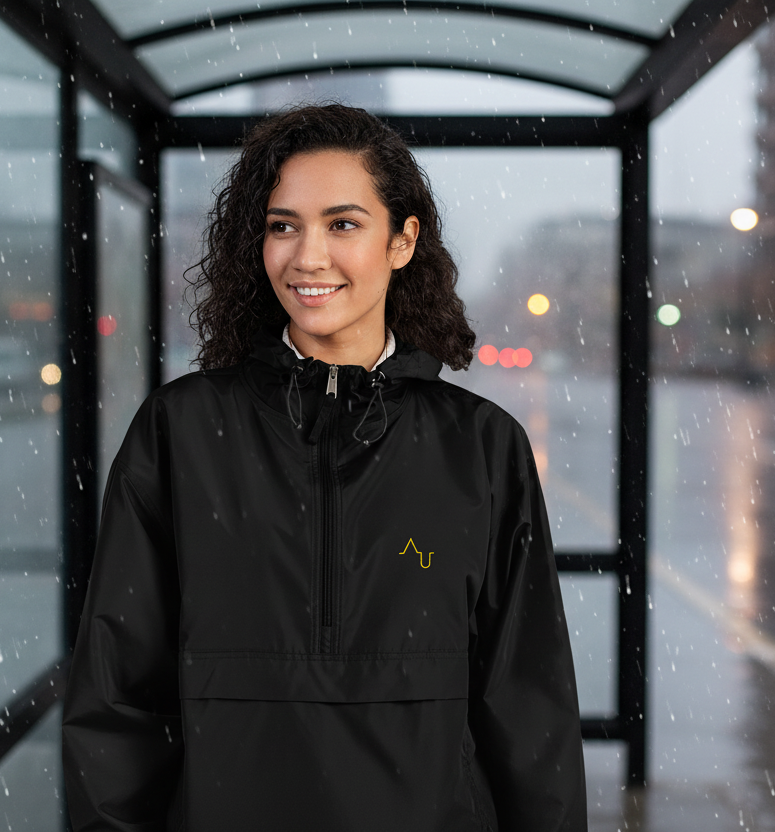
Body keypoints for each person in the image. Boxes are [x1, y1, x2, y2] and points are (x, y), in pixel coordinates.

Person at [61, 102, 587, 832]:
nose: (307, 256)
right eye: (283, 226)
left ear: (402, 241)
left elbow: (530, 710)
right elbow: (116, 698)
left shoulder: (482, 447)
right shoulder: (180, 431)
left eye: (342, 224)